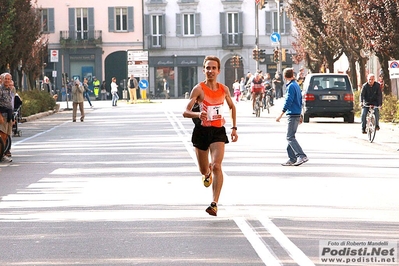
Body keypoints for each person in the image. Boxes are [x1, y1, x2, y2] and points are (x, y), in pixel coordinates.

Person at [183, 55, 238, 217]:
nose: (210, 71)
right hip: (201, 132)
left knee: (217, 166)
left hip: (218, 131)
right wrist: (198, 114)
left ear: (218, 71)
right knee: (204, 169)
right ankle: (206, 175)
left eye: (214, 68)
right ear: (203, 70)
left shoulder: (224, 89)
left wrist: (234, 128)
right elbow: (185, 112)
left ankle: (214, 204)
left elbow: (232, 107)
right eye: (208, 68)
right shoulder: (198, 89)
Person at [276, 68, 308, 166]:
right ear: (292, 75)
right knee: (291, 136)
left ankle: (301, 155)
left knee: (289, 137)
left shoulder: (290, 86)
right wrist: (301, 114)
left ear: (285, 77)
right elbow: (300, 101)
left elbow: (289, 101)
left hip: (292, 113)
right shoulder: (296, 85)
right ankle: (292, 158)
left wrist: (281, 114)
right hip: (296, 113)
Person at [0, 73, 15, 162]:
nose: (7, 80)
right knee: (2, 136)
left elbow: (10, 104)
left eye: (9, 79)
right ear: (2, 79)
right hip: (3, 115)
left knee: (6, 136)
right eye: (6, 79)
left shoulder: (9, 90)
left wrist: (12, 118)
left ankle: (2, 154)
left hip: (9, 116)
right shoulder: (0, 89)